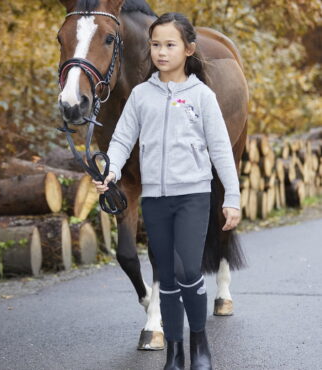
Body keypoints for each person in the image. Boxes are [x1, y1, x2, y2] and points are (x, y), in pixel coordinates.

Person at [92, 12, 241, 370]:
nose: (161, 52)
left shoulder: (202, 96)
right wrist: (110, 171)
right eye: (155, 45)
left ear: (188, 49)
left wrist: (232, 198)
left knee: (188, 271)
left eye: (170, 45)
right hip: (156, 200)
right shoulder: (141, 95)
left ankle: (200, 346)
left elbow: (222, 149)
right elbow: (122, 139)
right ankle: (175, 352)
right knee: (169, 276)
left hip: (193, 195)